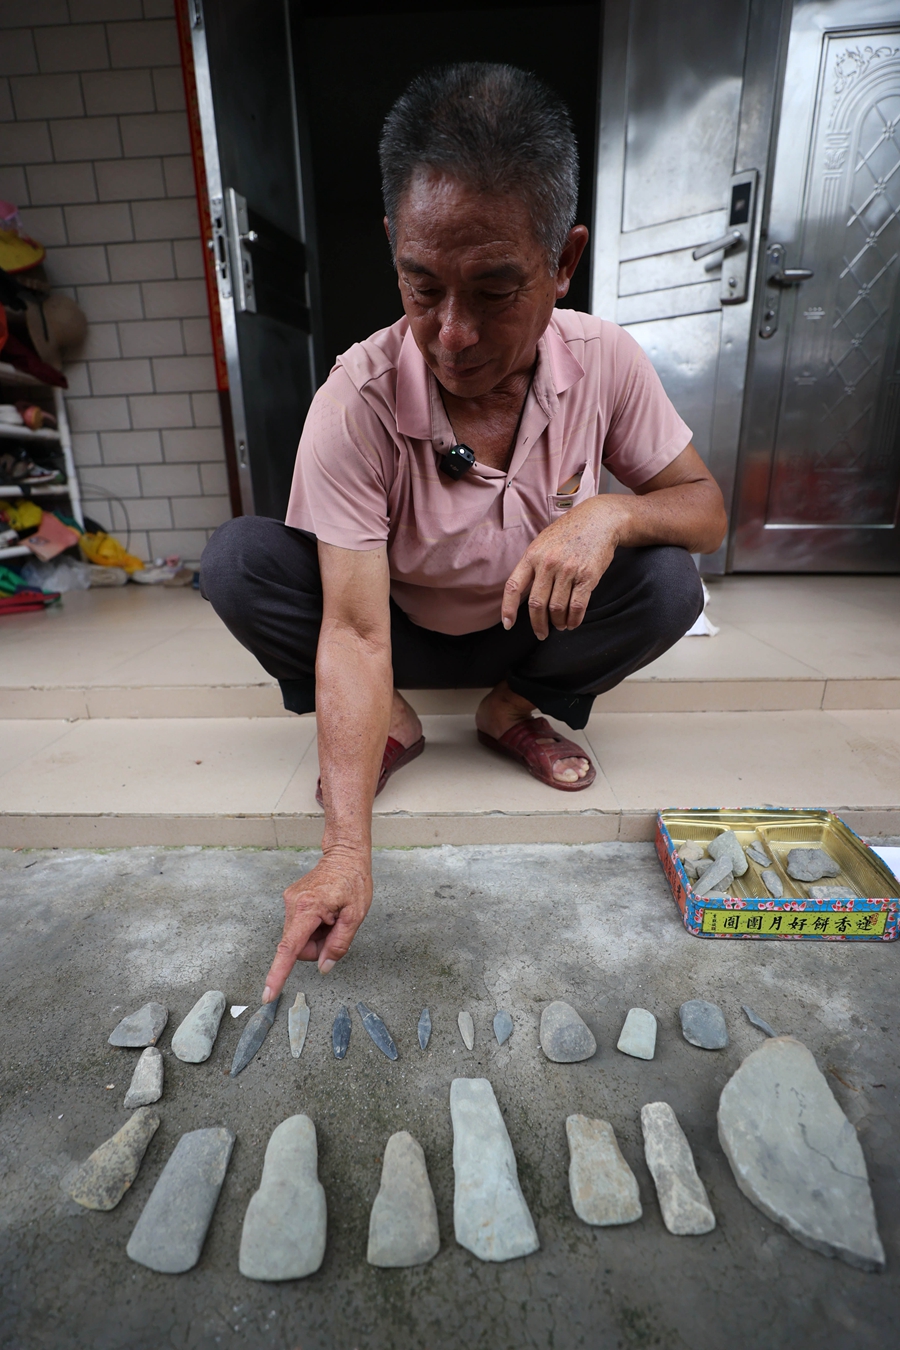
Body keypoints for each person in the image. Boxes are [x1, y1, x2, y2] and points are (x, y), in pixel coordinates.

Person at [201, 63, 727, 1003]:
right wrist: (346, 851)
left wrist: (612, 511)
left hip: (531, 627)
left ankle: (510, 707)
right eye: (422, 288)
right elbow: (353, 629)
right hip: (393, 629)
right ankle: (393, 721)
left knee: (668, 584)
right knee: (240, 561)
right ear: (395, 252)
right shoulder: (357, 397)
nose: (451, 335)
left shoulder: (605, 361)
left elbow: (705, 508)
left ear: (562, 263)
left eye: (494, 291)